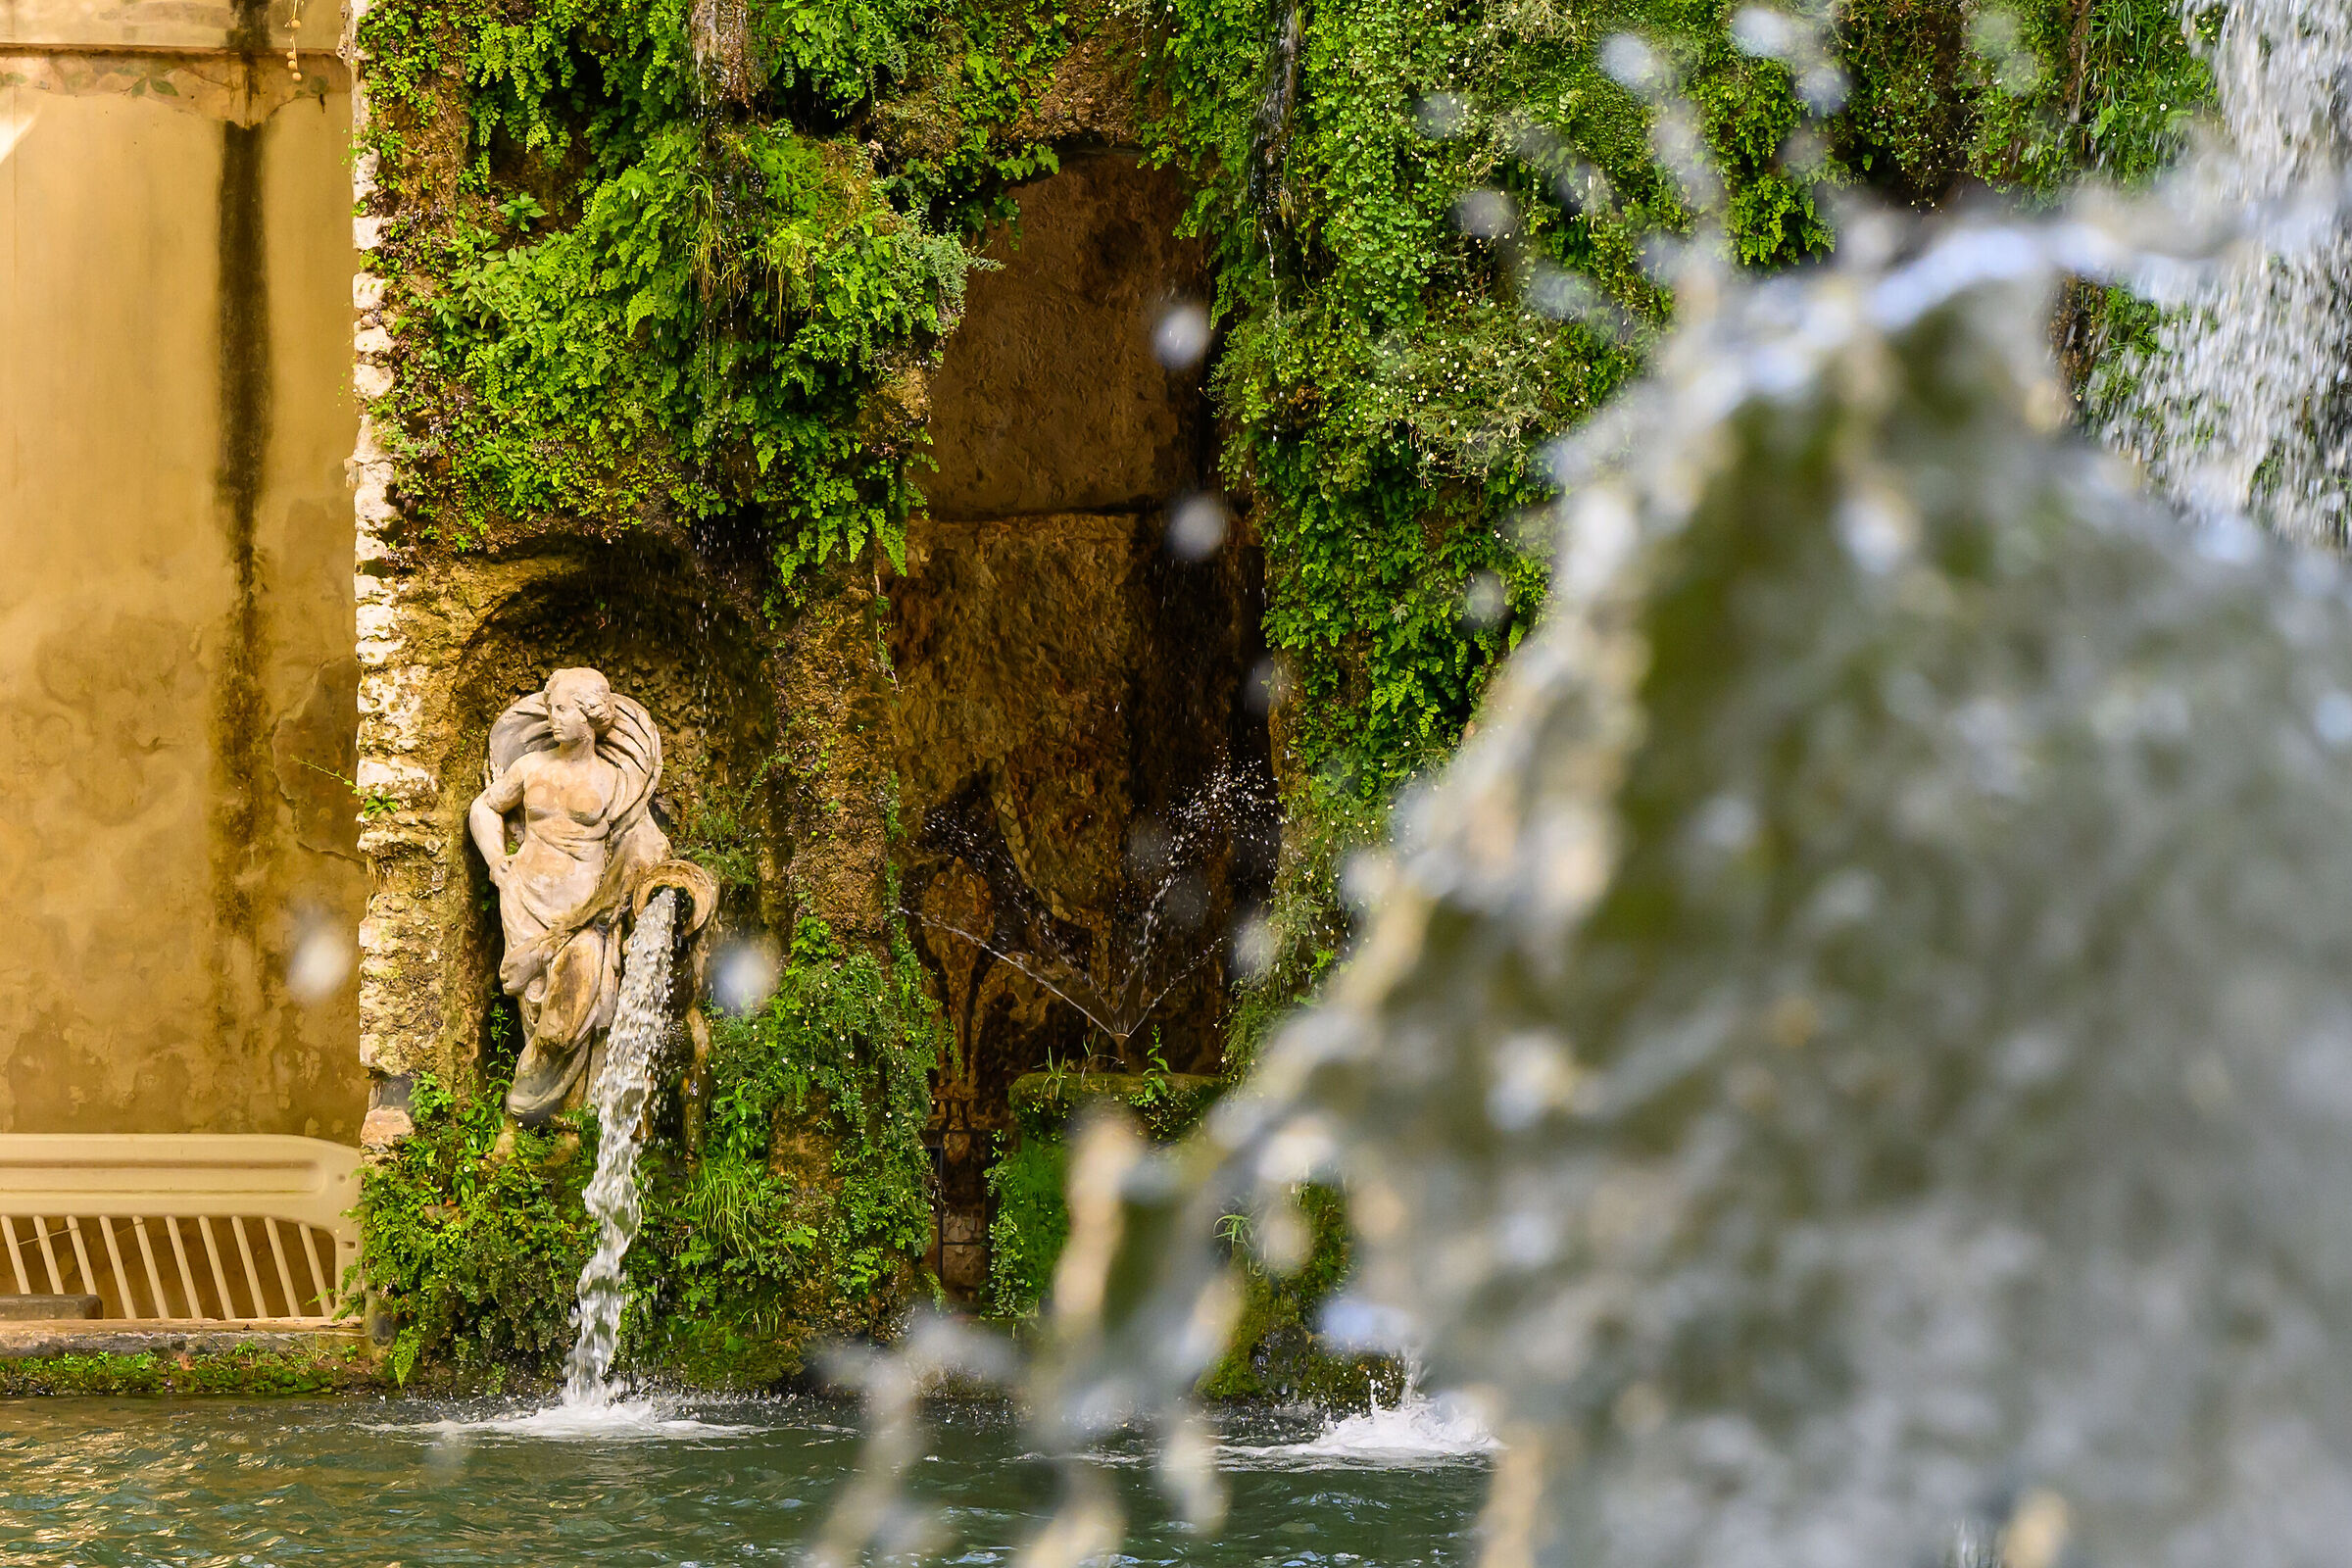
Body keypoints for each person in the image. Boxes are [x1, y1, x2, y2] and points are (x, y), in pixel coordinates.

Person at [469, 667, 668, 1124]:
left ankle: (543, 1111)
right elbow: (485, 806)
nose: (552, 718)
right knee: (535, 1009)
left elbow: (643, 841)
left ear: (591, 715)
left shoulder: (614, 781)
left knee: (577, 1011)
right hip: (523, 898)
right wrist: (498, 862)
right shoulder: (531, 767)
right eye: (552, 708)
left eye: (563, 709)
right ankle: (554, 1124)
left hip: (583, 914)